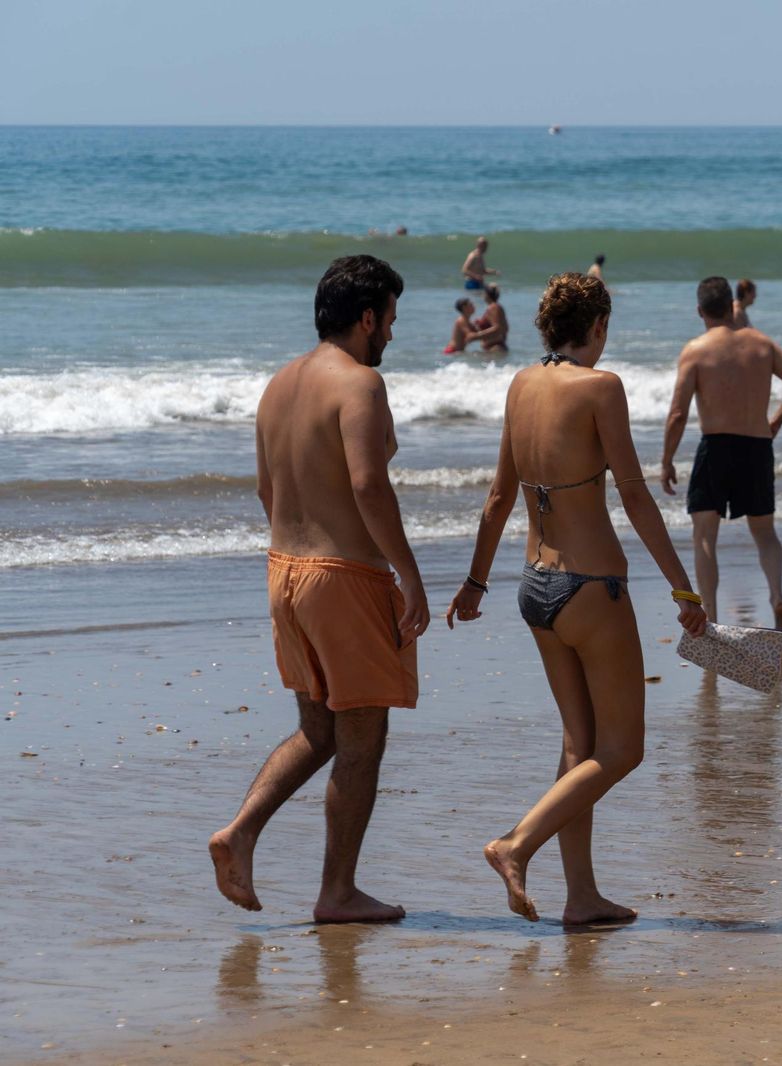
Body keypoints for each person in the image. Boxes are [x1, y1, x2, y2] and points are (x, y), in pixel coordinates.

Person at [446, 272, 707, 925]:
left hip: (534, 588)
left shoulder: (520, 385)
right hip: (591, 589)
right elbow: (637, 496)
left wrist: (476, 583)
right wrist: (683, 586)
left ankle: (582, 895)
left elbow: (498, 498)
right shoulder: (600, 388)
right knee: (622, 750)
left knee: (578, 741)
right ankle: (515, 845)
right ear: (598, 327)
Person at [208, 255, 428, 923]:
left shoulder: (278, 385)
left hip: (284, 572)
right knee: (362, 736)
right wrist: (410, 575)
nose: (390, 334)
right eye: (389, 320)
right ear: (366, 318)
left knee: (317, 728)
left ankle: (240, 831)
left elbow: (266, 490)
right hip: (344, 578)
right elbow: (368, 485)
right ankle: (337, 893)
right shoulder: (359, 384)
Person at [661, 276, 782, 631]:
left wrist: (666, 460)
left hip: (716, 447)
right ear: (731, 307)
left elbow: (678, 413)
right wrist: (776, 421)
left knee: (704, 535)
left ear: (700, 311)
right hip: (757, 445)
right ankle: (776, 595)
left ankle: (710, 616)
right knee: (765, 533)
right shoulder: (761, 344)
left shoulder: (695, 350)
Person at [469, 284, 509, 352]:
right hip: (493, 348)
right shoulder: (497, 307)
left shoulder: (493, 307)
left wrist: (475, 337)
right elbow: (504, 327)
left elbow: (497, 328)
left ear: (487, 295)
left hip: (495, 348)